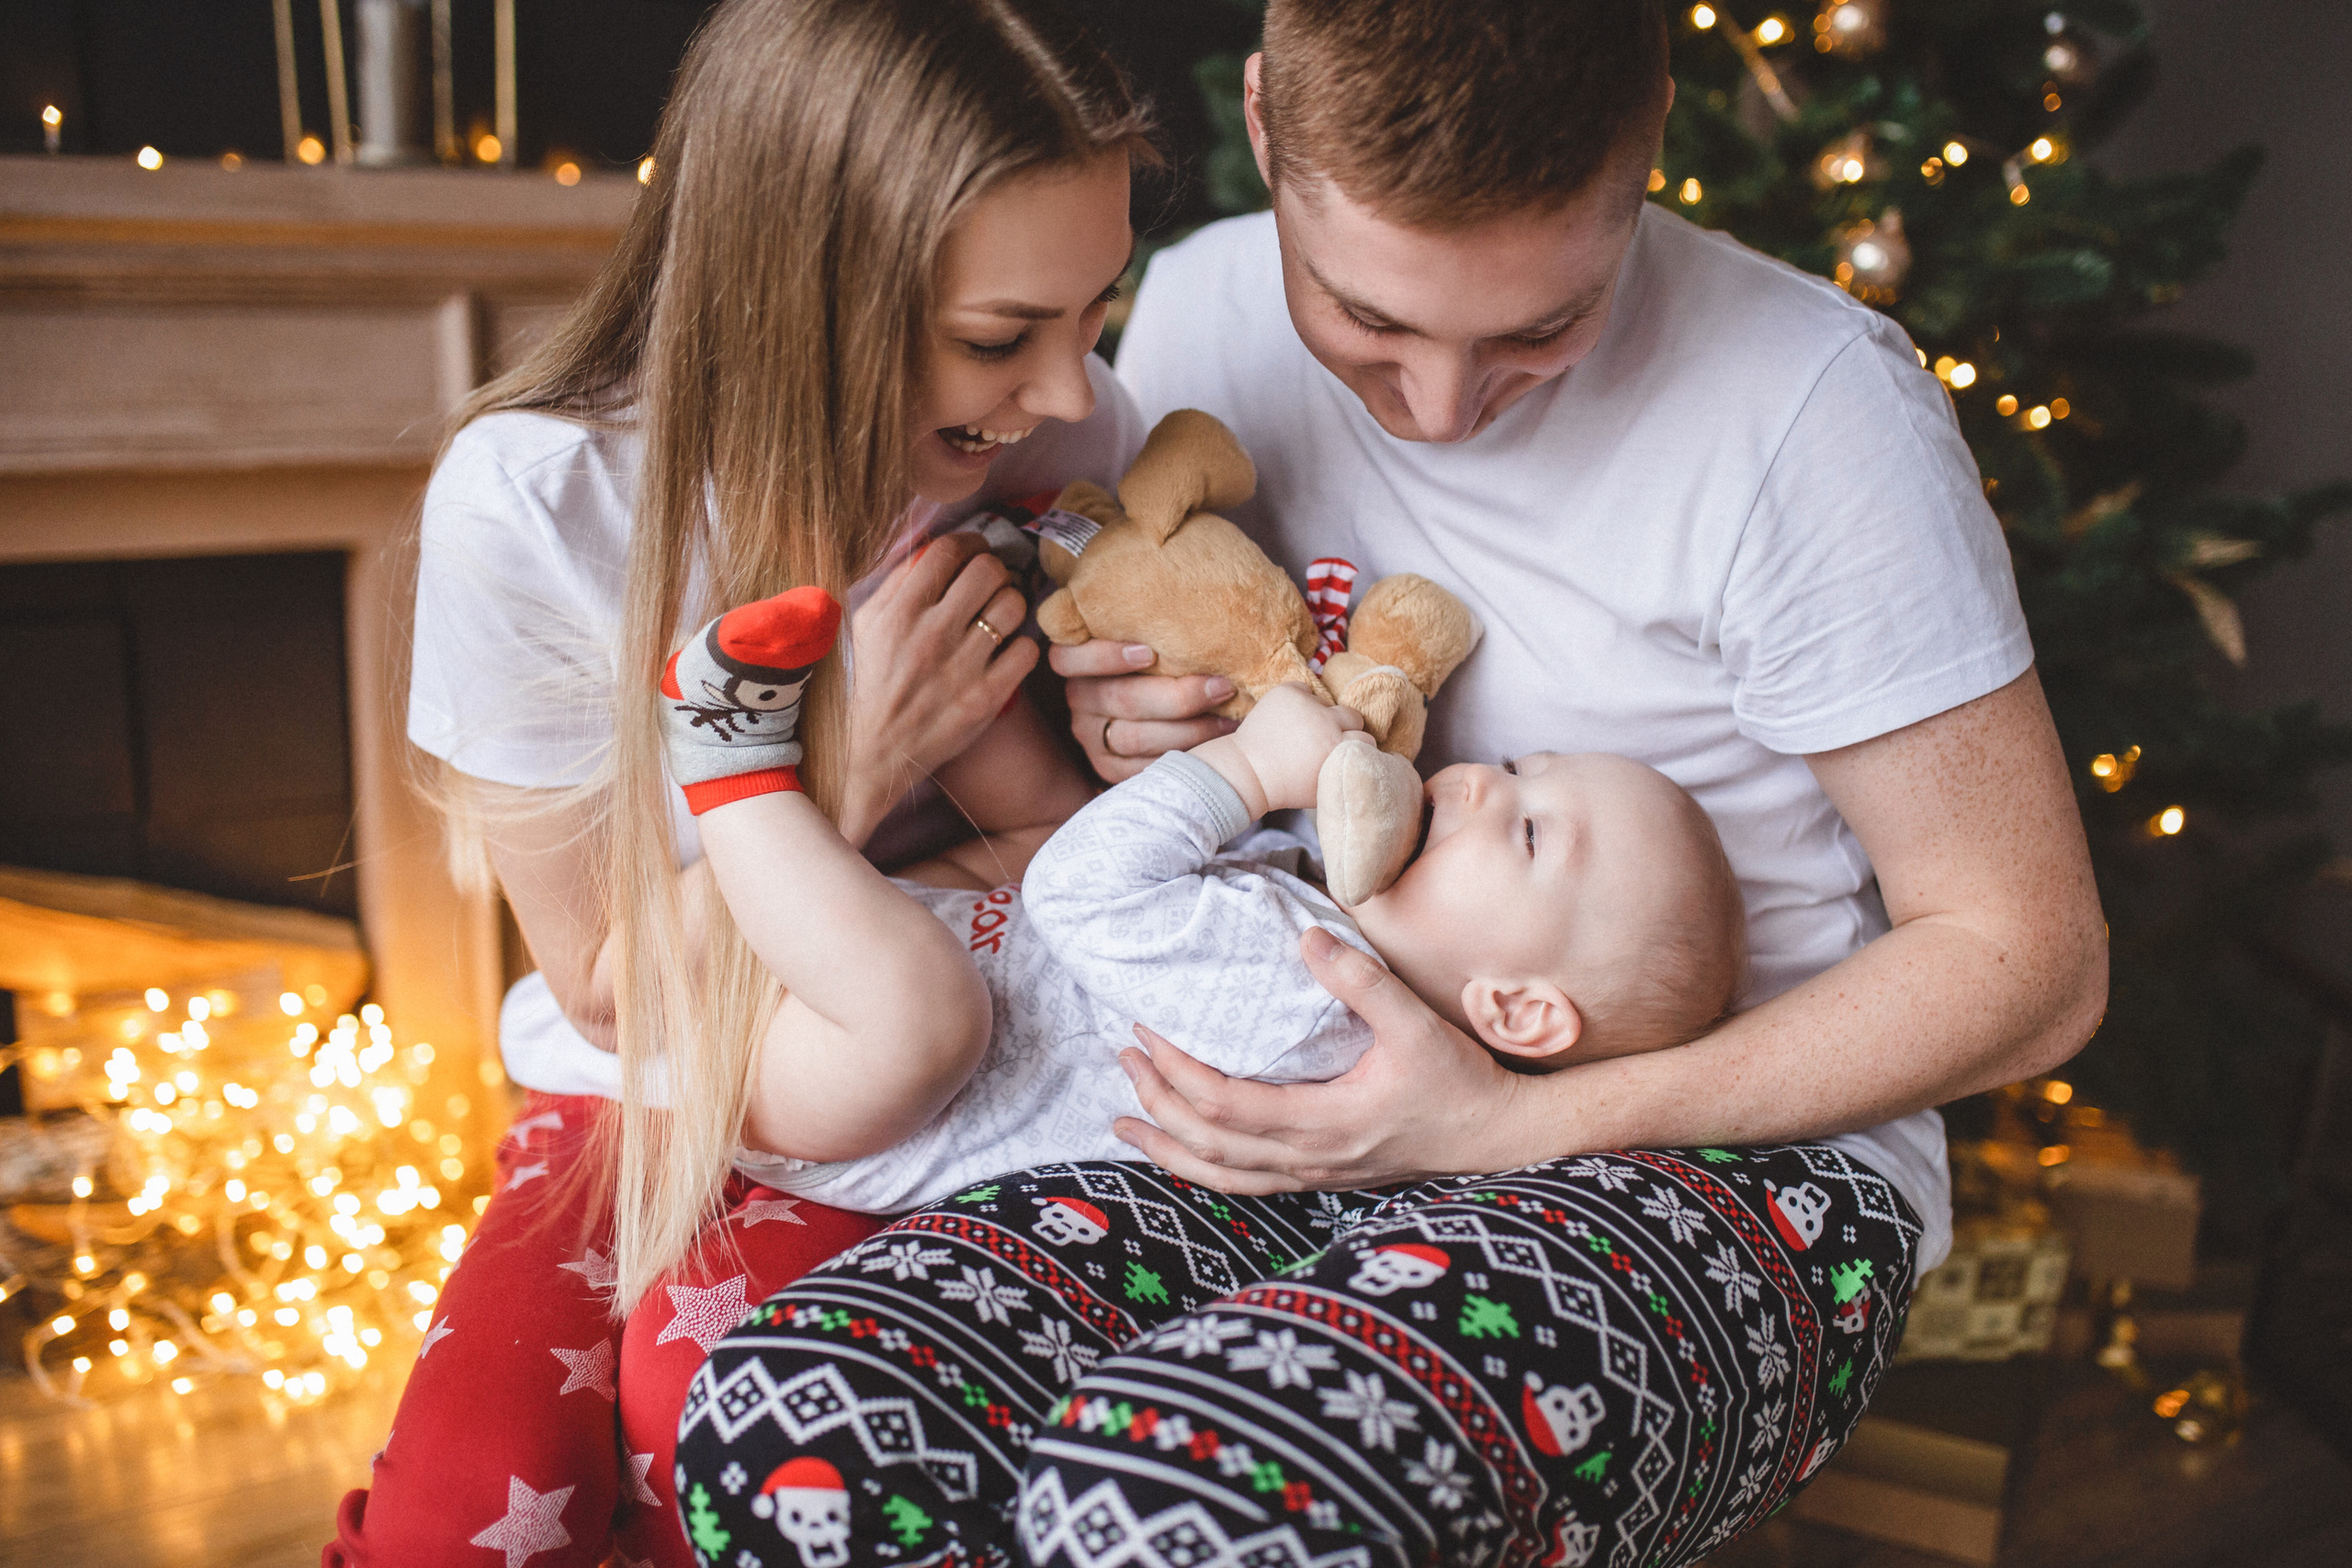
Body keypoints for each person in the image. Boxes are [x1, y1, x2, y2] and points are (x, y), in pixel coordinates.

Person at [681, 3, 2104, 1566]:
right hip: (1239, 1106)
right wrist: (1127, 727)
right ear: (1267, 128)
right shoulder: (1200, 303)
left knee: (1197, 1498)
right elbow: (1152, 643)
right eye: (1365, 325)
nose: (1436, 404)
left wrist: (1503, 1126)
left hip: (1709, 1153)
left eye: (1540, 331)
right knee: (792, 1420)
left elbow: (2028, 963)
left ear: (1650, 150)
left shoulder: (1813, 409)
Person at [328, 2, 1159, 1564]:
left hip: (956, 1067)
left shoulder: (1052, 443)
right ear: (804, 286)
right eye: (1000, 336)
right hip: (652, 1076)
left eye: (1093, 313)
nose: (1064, 389)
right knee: (473, 1502)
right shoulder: (545, 501)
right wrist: (843, 763)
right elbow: (601, 989)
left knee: (719, 1425)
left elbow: (1070, 831)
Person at [661, 601, 1745, 1212]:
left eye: (1525, 831)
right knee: (953, 921)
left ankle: (730, 761)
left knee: (925, 1007)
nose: (1474, 782)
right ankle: (971, 595)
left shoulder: (1308, 1007)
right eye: (1517, 765)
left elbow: (1079, 892)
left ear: (1513, 1010)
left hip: (856, 1096)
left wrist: (1244, 767)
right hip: (848, 975)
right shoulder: (1323, 920)